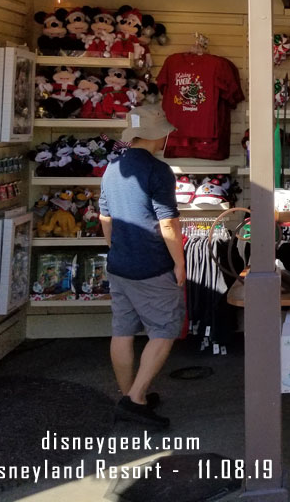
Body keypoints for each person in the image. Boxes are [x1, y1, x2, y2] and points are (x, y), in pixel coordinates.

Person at [99, 103, 184, 429]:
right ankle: (135, 399)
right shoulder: (157, 170)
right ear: (157, 135)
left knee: (122, 330)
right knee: (163, 330)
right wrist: (180, 262)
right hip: (152, 264)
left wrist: (114, 247)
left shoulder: (111, 168)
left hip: (119, 263)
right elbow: (167, 224)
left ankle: (129, 396)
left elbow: (105, 217)